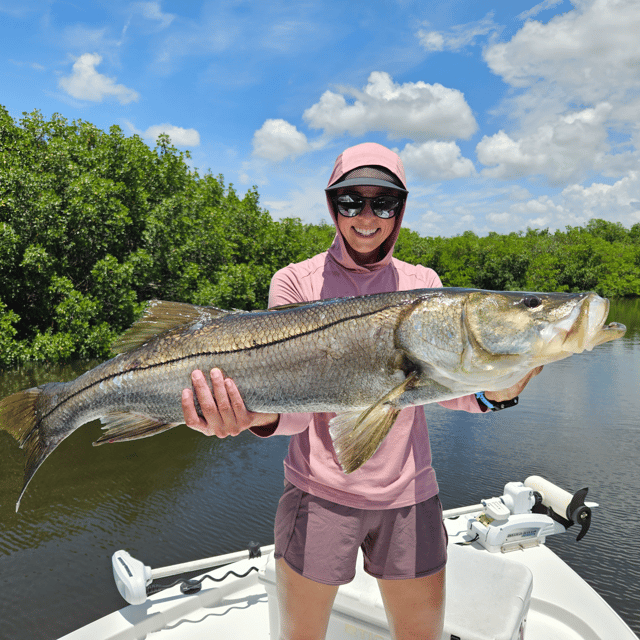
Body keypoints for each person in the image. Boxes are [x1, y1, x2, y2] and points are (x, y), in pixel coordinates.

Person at [181, 142, 541, 640]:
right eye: (352, 201)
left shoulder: (423, 283)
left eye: (384, 202)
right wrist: (252, 417)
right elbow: (297, 410)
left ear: (400, 210)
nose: (367, 216)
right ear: (333, 206)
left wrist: (495, 394)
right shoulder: (294, 282)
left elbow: (440, 385)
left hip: (410, 494)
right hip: (319, 494)